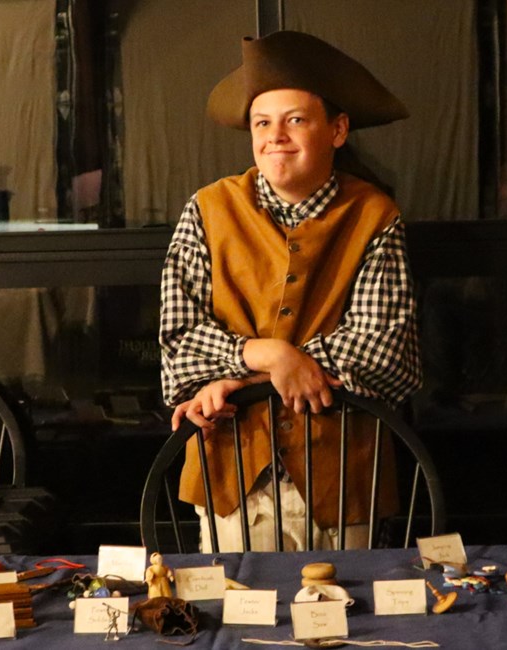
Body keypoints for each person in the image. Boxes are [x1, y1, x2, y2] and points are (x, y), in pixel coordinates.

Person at [159, 30, 422, 552]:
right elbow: (178, 348)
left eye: (295, 120)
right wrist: (268, 356)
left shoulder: (374, 215)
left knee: (348, 625)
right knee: (237, 623)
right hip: (228, 474)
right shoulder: (207, 210)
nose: (274, 136)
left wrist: (239, 373)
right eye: (262, 123)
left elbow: (386, 355)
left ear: (338, 129)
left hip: (341, 479)